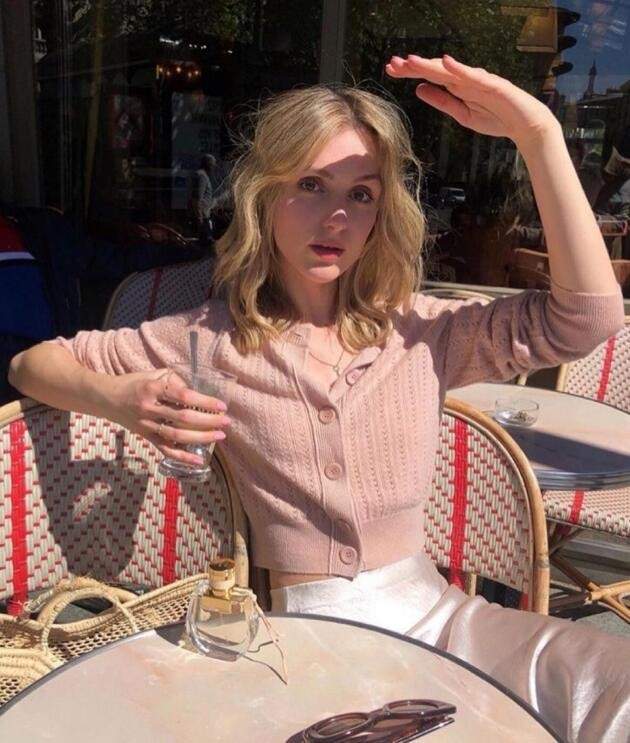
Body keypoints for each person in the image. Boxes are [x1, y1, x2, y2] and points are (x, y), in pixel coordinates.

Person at [9, 55, 630, 742]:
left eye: (361, 194)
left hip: (448, 619)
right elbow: (32, 364)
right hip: (308, 640)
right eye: (310, 185)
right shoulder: (207, 339)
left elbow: (588, 317)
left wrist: (538, 134)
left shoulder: (421, 332)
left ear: (380, 213)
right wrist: (118, 396)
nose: (336, 215)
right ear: (265, 196)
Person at [188, 153, 216, 244]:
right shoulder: (202, 176)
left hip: (204, 213)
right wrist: (199, 216)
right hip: (202, 215)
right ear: (208, 164)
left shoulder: (202, 175)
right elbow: (197, 197)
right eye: (212, 164)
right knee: (206, 241)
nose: (213, 167)